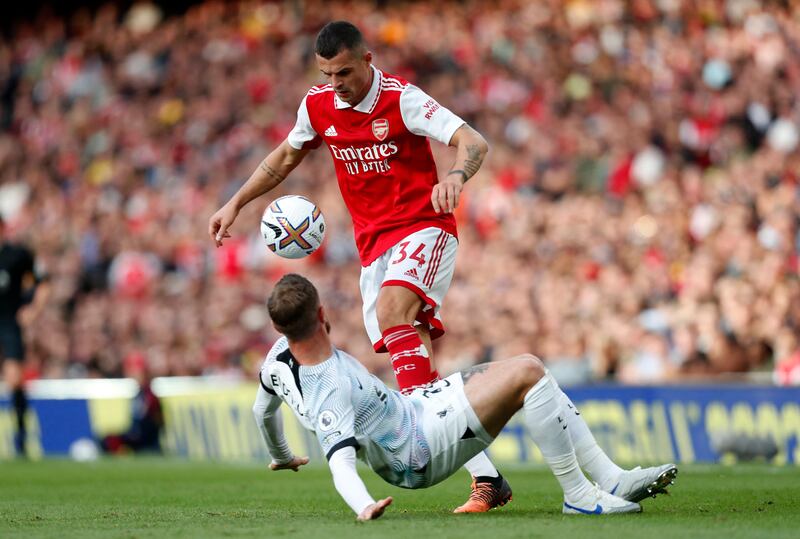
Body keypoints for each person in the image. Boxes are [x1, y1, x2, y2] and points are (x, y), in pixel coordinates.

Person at [209, 20, 508, 512]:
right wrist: (235, 203)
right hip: (374, 248)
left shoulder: (402, 98)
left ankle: (439, 448)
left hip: (422, 225)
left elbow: (473, 142)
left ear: (367, 59)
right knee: (411, 359)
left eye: (344, 72)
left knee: (394, 314)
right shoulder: (318, 105)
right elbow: (285, 157)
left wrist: (455, 175)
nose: (336, 84)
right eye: (327, 74)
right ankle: (487, 476)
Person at [252, 274, 678, 520]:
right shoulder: (332, 389)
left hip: (416, 409)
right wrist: (364, 507)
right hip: (417, 450)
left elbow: (263, 408)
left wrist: (283, 455)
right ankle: (580, 497)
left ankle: (608, 479)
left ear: (279, 331)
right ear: (323, 314)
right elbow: (340, 464)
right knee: (528, 371)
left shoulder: (274, 360)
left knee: (531, 369)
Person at [0, 215, 49, 457]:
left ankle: (21, 437)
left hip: (8, 323)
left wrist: (34, 309)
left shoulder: (18, 255)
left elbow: (42, 281)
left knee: (14, 379)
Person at [100, 353, 164, 454]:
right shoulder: (121, 393)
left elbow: (156, 422)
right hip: (127, 439)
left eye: (135, 371)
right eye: (129, 371)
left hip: (146, 443)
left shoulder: (150, 395)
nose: (132, 375)